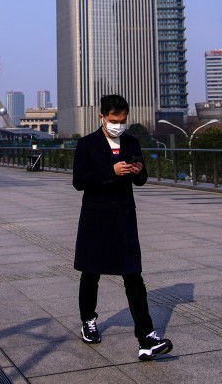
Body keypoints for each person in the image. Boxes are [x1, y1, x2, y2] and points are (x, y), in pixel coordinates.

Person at [72, 94, 173, 361]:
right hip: (96, 218)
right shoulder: (86, 144)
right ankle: (88, 320)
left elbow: (141, 179)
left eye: (123, 120)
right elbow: (79, 181)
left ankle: (146, 337)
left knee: (133, 275)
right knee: (91, 273)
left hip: (124, 218)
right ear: (102, 117)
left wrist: (138, 171)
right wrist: (111, 172)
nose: (119, 125)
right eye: (114, 120)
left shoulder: (131, 142)